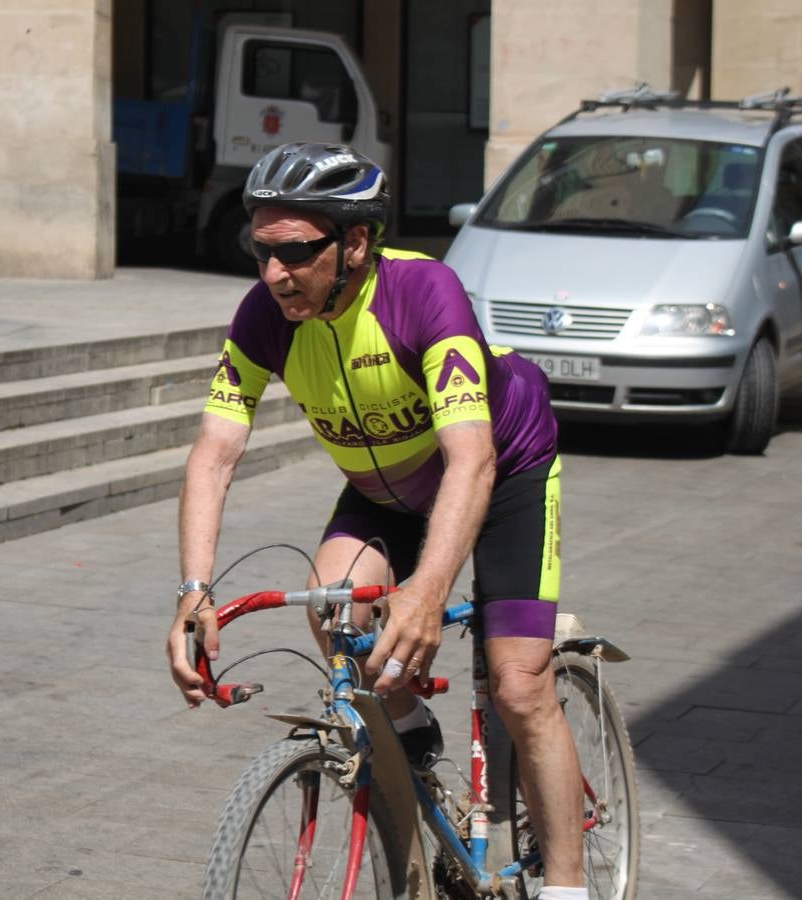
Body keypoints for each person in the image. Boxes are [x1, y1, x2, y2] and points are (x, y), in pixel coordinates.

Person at [165, 141, 589, 899]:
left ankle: (567, 884)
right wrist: (193, 588)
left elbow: (471, 459)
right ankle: (414, 738)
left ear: (355, 241)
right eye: (258, 249)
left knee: (520, 687)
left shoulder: (427, 293)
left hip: (503, 466)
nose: (272, 273)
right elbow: (215, 452)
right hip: (386, 489)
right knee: (334, 610)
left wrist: (427, 590)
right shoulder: (267, 314)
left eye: (293, 252)